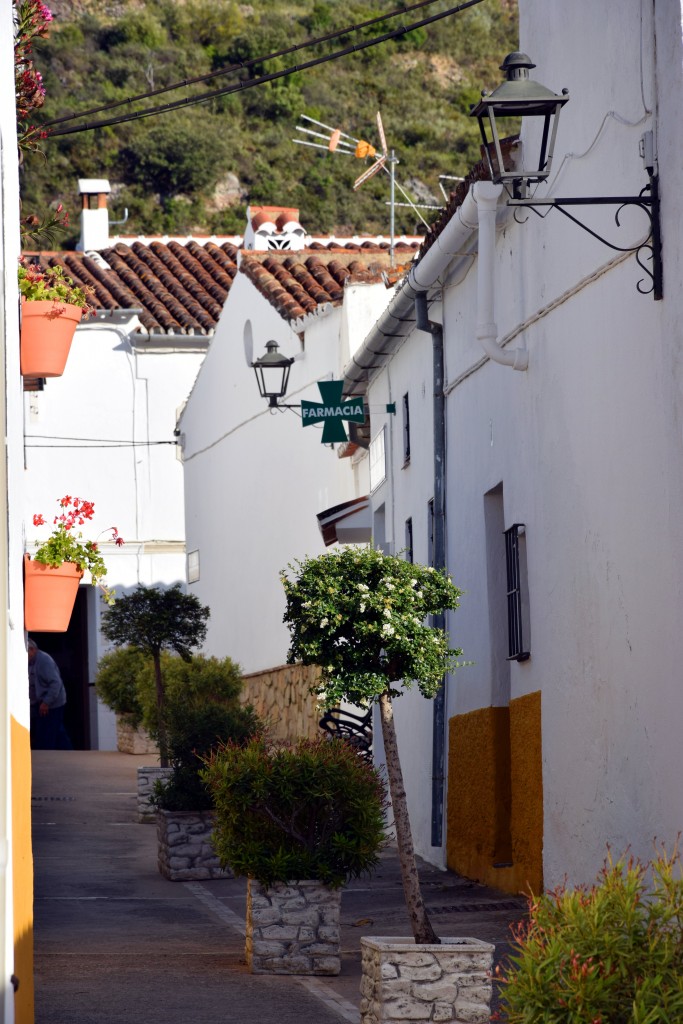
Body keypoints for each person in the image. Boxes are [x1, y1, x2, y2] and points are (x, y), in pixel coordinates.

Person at [28, 639, 73, 750]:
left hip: (53, 703)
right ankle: (68, 752)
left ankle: (51, 753)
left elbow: (56, 683)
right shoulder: (32, 662)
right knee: (56, 730)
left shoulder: (44, 661)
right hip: (41, 702)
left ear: (32, 650)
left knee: (49, 731)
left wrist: (46, 702)